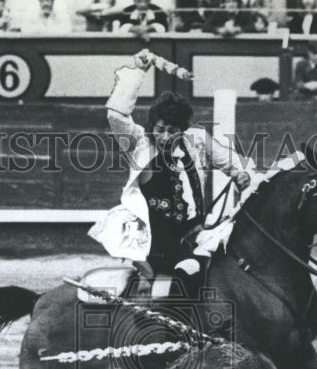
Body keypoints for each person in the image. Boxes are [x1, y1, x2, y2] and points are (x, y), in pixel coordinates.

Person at [89, 50, 251, 298]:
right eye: (160, 129)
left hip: (195, 233)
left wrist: (240, 174)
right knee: (189, 272)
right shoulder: (138, 145)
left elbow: (232, 162)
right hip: (155, 239)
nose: (164, 137)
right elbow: (116, 115)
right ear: (152, 127)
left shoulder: (196, 140)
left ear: (183, 130)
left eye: (172, 130)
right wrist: (137, 72)